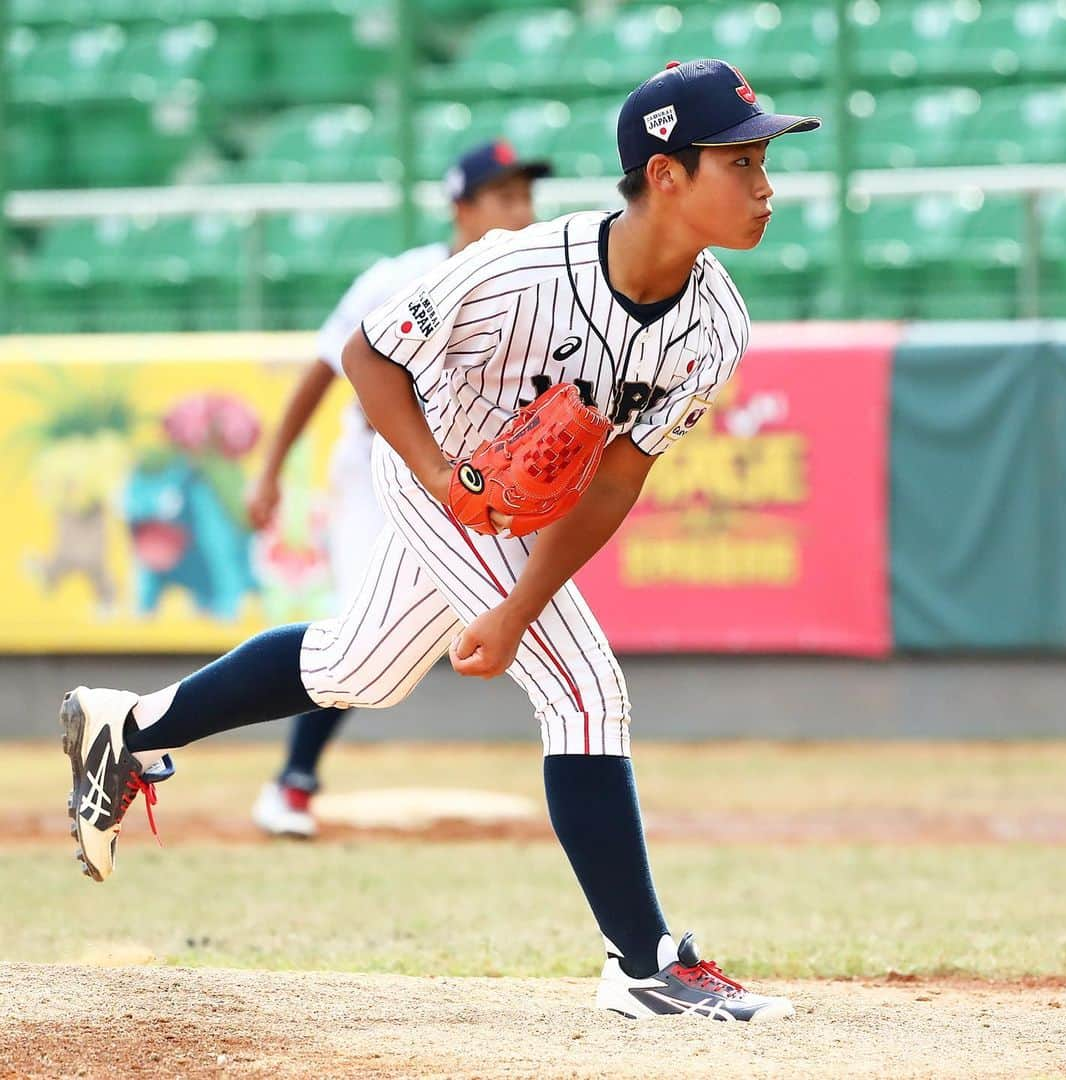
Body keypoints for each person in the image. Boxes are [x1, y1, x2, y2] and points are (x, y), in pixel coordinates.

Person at [62, 59, 819, 1023]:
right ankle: (642, 961)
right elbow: (367, 355)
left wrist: (515, 608)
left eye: (764, 161)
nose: (765, 187)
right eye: (741, 161)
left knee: (357, 668)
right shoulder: (521, 267)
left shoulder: (714, 327)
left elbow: (618, 480)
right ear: (665, 174)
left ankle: (126, 729)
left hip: (511, 514)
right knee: (585, 691)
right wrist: (437, 474)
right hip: (432, 465)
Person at [245, 141, 551, 837]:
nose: (522, 211)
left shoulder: (541, 288)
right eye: (505, 196)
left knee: (505, 620)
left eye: (527, 196)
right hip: (376, 474)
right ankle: (292, 782)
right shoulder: (399, 279)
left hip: (466, 487)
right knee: (359, 629)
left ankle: (580, 755)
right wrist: (269, 471)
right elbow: (326, 369)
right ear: (462, 208)